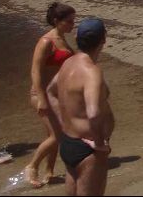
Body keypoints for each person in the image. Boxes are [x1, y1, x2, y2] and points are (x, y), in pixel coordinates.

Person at [46, 18, 113, 196]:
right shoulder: (92, 72)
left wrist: (62, 124)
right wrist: (99, 144)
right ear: (103, 39)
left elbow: (50, 91)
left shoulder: (69, 63)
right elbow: (93, 113)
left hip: (69, 142)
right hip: (88, 148)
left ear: (77, 37)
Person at [25, 3, 76, 188]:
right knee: (57, 135)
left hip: (57, 95)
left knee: (52, 134)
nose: (72, 24)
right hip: (41, 94)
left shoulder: (63, 39)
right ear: (57, 21)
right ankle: (31, 167)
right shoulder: (46, 41)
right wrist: (42, 99)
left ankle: (49, 173)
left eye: (73, 20)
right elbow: (35, 72)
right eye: (69, 21)